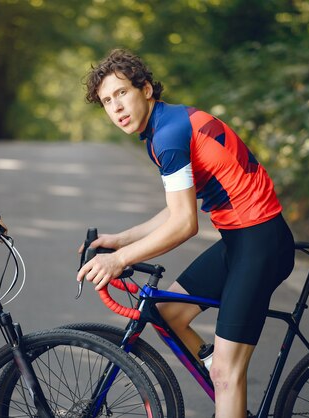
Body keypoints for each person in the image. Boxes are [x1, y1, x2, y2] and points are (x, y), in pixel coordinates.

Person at [77, 49, 295, 418]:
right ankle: (215, 366)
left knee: (228, 375)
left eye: (122, 93)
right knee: (166, 313)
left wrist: (118, 260)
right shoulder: (164, 126)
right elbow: (181, 205)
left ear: (145, 89)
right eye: (106, 101)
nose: (116, 107)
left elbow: (184, 224)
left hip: (262, 244)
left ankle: (225, 377)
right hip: (240, 240)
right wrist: (123, 239)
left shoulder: (168, 136)